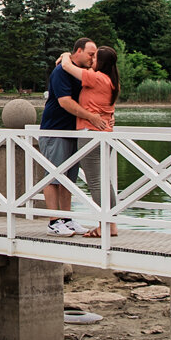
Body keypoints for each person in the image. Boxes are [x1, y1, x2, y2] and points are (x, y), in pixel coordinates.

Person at [61, 44, 121, 237]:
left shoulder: (96, 78)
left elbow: (67, 67)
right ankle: (111, 225)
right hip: (106, 133)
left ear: (101, 62)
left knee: (95, 181)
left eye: (95, 58)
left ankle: (104, 225)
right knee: (104, 180)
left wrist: (65, 55)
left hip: (91, 133)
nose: (92, 60)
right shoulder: (112, 81)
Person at [39, 36, 95, 235]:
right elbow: (65, 102)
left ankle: (67, 219)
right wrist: (92, 118)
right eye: (90, 53)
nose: (93, 57)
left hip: (72, 131)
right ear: (78, 51)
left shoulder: (81, 71)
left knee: (69, 178)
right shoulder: (61, 71)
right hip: (55, 130)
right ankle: (54, 222)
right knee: (53, 176)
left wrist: (64, 55)